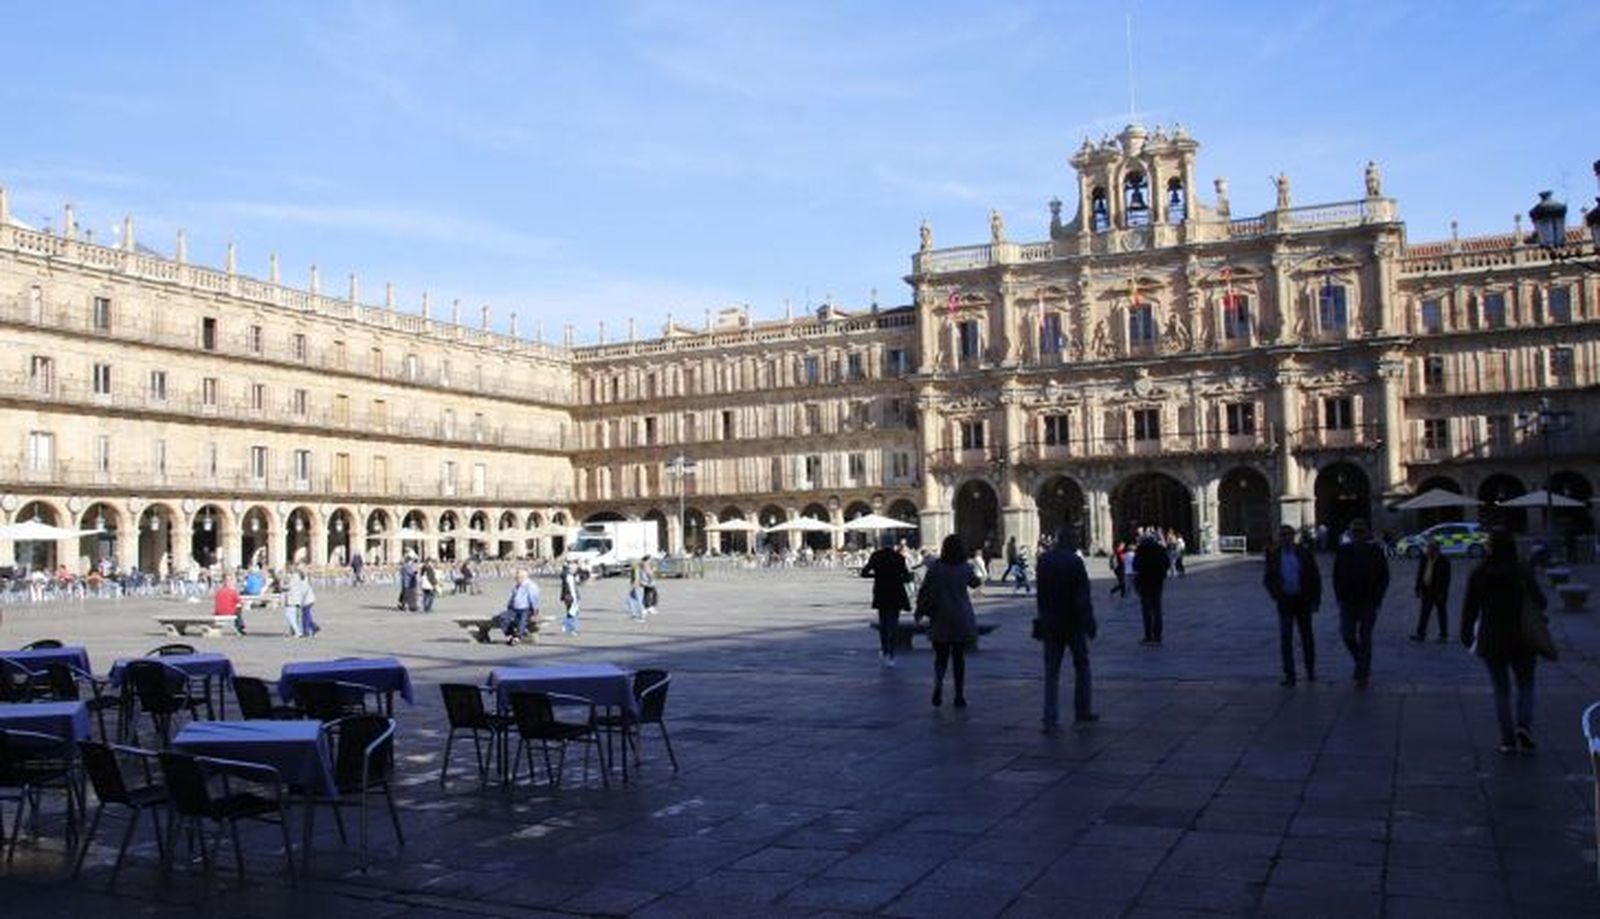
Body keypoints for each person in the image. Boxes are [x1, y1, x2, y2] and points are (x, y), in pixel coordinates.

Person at [1460, 529, 1546, 753]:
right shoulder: (1521, 571)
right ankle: (1524, 726)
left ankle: (1507, 739)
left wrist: (1466, 634)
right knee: (1526, 685)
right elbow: (1542, 601)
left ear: (1490, 547)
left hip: (1492, 638)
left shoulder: (1479, 573)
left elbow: (1469, 609)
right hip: (1523, 637)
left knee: (1501, 690)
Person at [1035, 527, 1097, 731]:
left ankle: (1049, 717)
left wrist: (1042, 617)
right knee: (1082, 665)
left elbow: (1040, 594)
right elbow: (1082, 596)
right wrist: (1089, 622)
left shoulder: (1043, 561)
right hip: (1073, 622)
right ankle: (1082, 711)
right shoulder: (1075, 562)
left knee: (1051, 672)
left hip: (1050, 622)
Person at [914, 535, 982, 708]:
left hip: (940, 615)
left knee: (940, 657)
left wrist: (919, 611)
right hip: (960, 615)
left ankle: (938, 685)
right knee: (959, 658)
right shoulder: (965, 568)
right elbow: (975, 583)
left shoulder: (936, 567)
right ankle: (959, 695)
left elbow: (924, 589)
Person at [1332, 518, 1390, 689]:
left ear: (1367, 533)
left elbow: (1384, 577)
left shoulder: (1376, 551)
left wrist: (1378, 598)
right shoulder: (1343, 551)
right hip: (1348, 602)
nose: (1357, 534)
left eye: (1360, 531)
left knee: (1365, 638)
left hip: (1368, 602)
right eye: (1354, 531)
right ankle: (1362, 663)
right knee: (1347, 635)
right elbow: (1336, 576)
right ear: (1349, 533)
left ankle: (1362, 674)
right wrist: (1339, 597)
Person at [1263, 524, 1321, 686]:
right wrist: (1276, 594)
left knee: (1306, 637)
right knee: (1286, 637)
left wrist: (1315, 600)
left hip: (1303, 601)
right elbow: (1268, 578)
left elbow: (1315, 577)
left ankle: (1310, 670)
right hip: (1285, 602)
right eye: (1282, 535)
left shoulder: (1304, 553)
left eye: (1287, 534)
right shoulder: (1273, 554)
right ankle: (1290, 675)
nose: (1284, 537)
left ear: (1293, 536)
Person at [861, 535, 913, 667]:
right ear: (893, 544)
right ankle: (892, 653)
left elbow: (864, 573)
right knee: (893, 623)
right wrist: (902, 577)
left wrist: (877, 575)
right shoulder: (899, 557)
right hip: (895, 592)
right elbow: (907, 578)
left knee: (883, 623)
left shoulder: (876, 556)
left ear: (882, 543)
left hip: (881, 591)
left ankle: (884, 650)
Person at [1411, 540, 1452, 643]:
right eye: (1428, 549)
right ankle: (1420, 634)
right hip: (1427, 590)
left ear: (1436, 550)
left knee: (1441, 613)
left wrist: (1442, 592)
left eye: (1430, 549)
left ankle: (1443, 636)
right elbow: (1420, 573)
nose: (1428, 551)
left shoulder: (1444, 561)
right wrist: (1417, 588)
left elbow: (1446, 579)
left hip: (1438, 591)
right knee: (1424, 612)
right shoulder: (1425, 558)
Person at [1132, 534, 1169, 644]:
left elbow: (1135, 565)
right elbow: (1167, 563)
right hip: (1158, 582)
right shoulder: (1160, 549)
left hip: (1144, 582)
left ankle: (1148, 636)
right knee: (1157, 608)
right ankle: (1158, 635)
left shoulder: (1141, 549)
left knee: (1146, 610)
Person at [502, 568, 539, 646]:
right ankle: (509, 635)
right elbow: (513, 598)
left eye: (517, 577)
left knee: (523, 620)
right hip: (515, 609)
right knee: (503, 617)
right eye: (516, 577)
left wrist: (535, 613)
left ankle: (517, 637)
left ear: (523, 577)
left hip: (526, 608)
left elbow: (534, 599)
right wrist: (509, 607)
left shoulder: (531, 586)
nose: (516, 579)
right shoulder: (516, 586)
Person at [286, 566, 320, 637]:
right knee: (306, 615)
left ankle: (306, 630)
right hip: (307, 600)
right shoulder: (302, 580)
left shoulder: (301, 581)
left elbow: (302, 591)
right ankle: (313, 627)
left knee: (305, 615)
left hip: (306, 600)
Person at [560, 558, 585, 635]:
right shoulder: (567, 575)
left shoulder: (571, 576)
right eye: (574, 568)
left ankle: (567, 626)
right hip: (570, 597)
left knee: (571, 613)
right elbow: (563, 574)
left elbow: (582, 577)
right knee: (572, 613)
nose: (575, 569)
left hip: (572, 597)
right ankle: (571, 629)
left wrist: (579, 568)